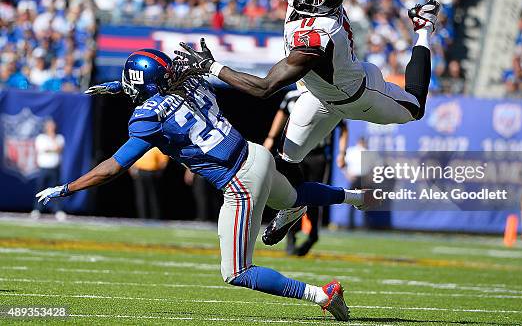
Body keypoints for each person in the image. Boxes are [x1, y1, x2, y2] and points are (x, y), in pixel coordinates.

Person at [173, 0, 439, 247]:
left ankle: (423, 28)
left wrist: (212, 66)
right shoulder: (311, 7)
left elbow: (265, 88)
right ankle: (295, 207)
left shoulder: (317, 37)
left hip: (359, 96)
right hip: (317, 96)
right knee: (284, 162)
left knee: (415, 110)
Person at [36, 48, 379, 321]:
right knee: (294, 195)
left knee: (237, 271)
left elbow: (111, 168)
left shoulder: (147, 120)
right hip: (254, 152)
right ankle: (355, 197)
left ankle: (321, 294)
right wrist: (118, 87)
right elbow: (163, 84)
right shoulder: (192, 84)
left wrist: (67, 188)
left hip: (239, 181)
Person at [264, 86, 348, 256]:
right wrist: (271, 138)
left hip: (317, 156)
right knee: (290, 195)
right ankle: (290, 237)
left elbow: (343, 126)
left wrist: (342, 152)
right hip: (294, 156)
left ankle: (312, 236)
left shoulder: (326, 94)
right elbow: (281, 115)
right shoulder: (292, 96)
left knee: (314, 199)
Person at [32, 119, 66, 221]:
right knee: (40, 190)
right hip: (43, 168)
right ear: (45, 127)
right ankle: (37, 210)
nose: (51, 128)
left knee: (56, 190)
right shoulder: (40, 138)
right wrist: (51, 149)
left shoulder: (59, 138)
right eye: (49, 126)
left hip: (55, 168)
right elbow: (43, 149)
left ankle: (57, 210)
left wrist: (52, 139)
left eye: (53, 126)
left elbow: (58, 149)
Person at [129, 147, 168, 220]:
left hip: (153, 172)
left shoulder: (157, 147)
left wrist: (159, 172)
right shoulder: (140, 146)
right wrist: (132, 169)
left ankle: (156, 218)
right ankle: (142, 217)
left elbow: (163, 161)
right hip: (140, 172)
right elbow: (131, 158)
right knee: (141, 196)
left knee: (154, 195)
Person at [343, 137, 368, 230]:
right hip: (354, 178)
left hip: (362, 178)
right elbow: (343, 163)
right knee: (353, 201)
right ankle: (350, 224)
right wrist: (347, 174)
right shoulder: (352, 151)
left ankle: (364, 225)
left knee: (364, 201)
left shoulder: (366, 151)